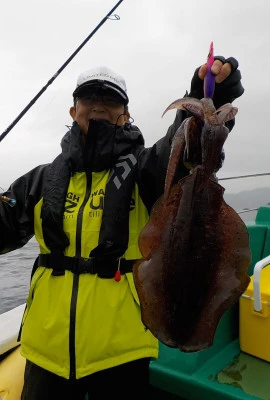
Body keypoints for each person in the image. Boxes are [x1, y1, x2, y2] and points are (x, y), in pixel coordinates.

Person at [0, 54, 244, 399]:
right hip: (45, 352)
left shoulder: (145, 172)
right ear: (73, 110)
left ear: (126, 113)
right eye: (89, 98)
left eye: (110, 100)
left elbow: (185, 147)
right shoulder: (39, 181)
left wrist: (210, 98)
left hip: (121, 354)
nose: (98, 106)